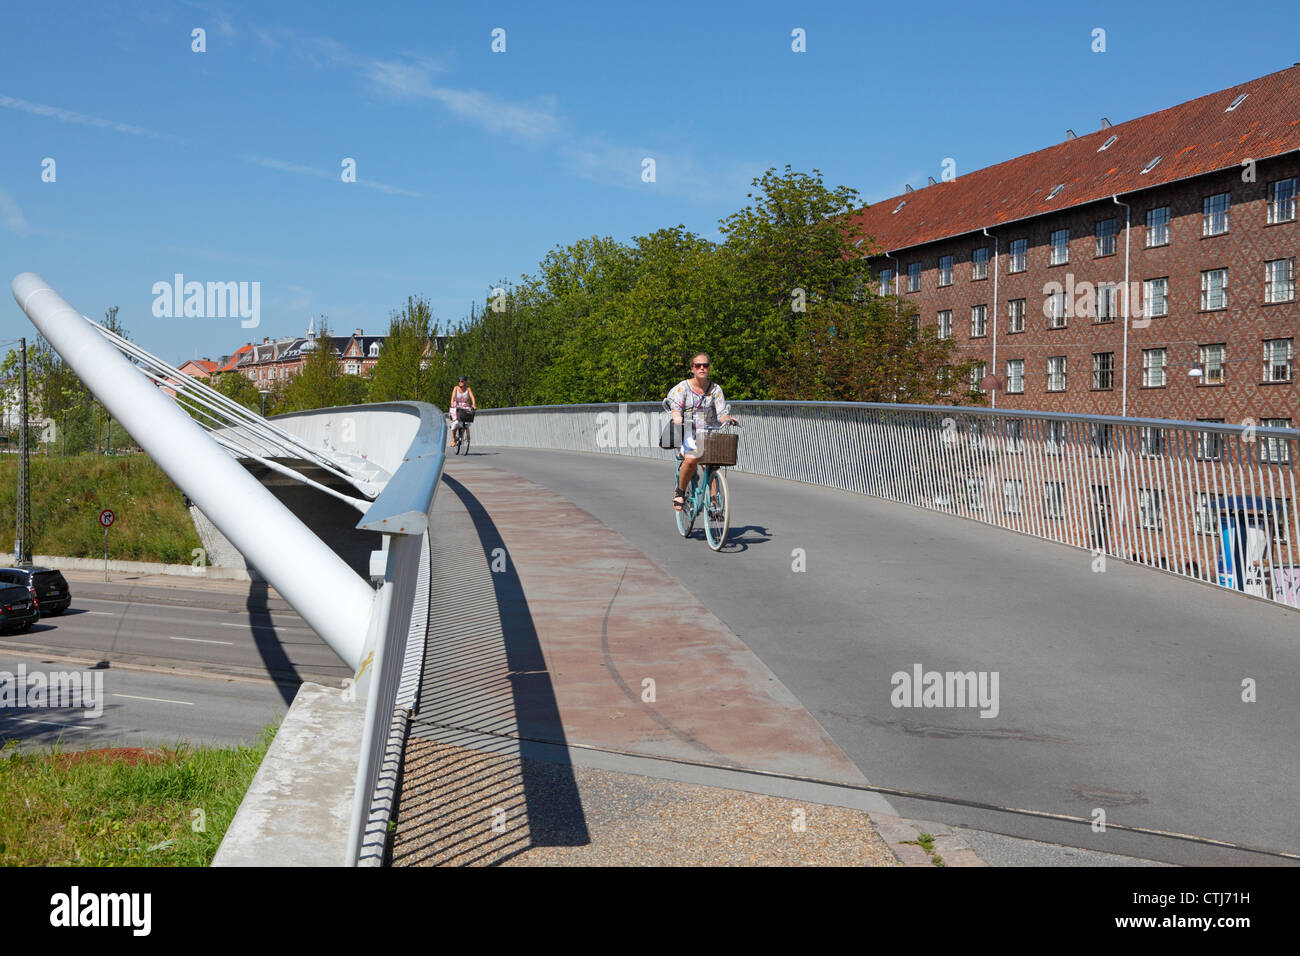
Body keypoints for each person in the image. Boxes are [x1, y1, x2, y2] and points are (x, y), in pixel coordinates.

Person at [665, 352, 737, 511]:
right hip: (688, 431)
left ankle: (713, 500)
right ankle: (680, 491)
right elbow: (674, 407)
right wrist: (677, 417)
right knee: (691, 459)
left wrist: (728, 419)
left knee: (710, 463)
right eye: (698, 365)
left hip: (708, 431)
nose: (702, 368)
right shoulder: (683, 388)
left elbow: (722, 412)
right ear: (692, 369)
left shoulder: (716, 389)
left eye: (705, 365)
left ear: (709, 368)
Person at [449, 376, 477, 445]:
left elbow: (472, 397)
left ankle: (466, 433)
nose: (460, 382)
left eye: (462, 381)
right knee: (455, 423)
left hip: (465, 406)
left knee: (467, 419)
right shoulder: (456, 388)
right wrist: (452, 403)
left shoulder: (468, 389)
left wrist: (474, 404)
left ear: (465, 382)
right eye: (459, 381)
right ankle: (453, 438)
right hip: (456, 405)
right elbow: (452, 397)